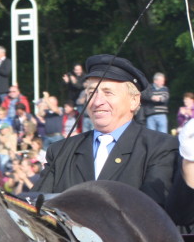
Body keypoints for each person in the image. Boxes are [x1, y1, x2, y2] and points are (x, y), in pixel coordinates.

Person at [35, 55, 194, 225]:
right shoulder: (61, 151)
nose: (97, 101)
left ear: (134, 101)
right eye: (91, 93)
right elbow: (32, 207)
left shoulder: (160, 147)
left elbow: (159, 213)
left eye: (108, 92)